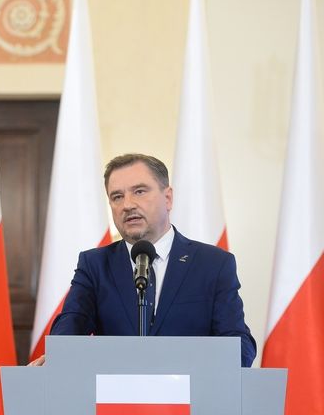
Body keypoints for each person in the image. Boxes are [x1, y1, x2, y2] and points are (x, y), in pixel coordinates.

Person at [34, 153, 256, 367]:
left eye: (139, 191)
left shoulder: (213, 264)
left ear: (168, 198)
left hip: (191, 400)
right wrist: (59, 357)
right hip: (116, 400)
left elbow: (239, 347)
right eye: (117, 196)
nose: (127, 205)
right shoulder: (95, 265)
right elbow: (70, 329)